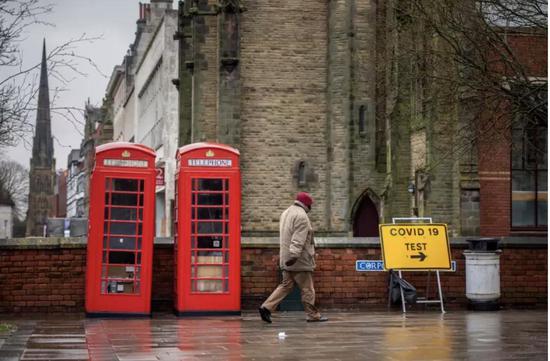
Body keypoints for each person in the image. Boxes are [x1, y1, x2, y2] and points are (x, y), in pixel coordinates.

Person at [259, 192, 328, 323]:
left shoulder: (286, 213)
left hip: (285, 258)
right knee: (308, 289)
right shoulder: (301, 216)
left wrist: (288, 258)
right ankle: (313, 315)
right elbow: (298, 239)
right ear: (307, 204)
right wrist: (295, 256)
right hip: (298, 260)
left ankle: (266, 307)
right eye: (310, 205)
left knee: (286, 285)